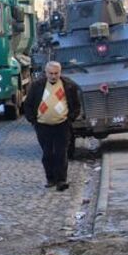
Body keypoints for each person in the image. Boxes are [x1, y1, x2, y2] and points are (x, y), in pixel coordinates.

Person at [23, 61, 82, 191]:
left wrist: (70, 118)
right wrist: (33, 120)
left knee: (61, 153)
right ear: (46, 73)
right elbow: (27, 105)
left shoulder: (68, 85)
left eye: (56, 73)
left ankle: (61, 180)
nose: (53, 76)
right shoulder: (37, 86)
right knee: (47, 154)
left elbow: (76, 105)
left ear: (60, 73)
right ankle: (50, 179)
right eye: (51, 73)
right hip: (43, 126)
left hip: (62, 125)